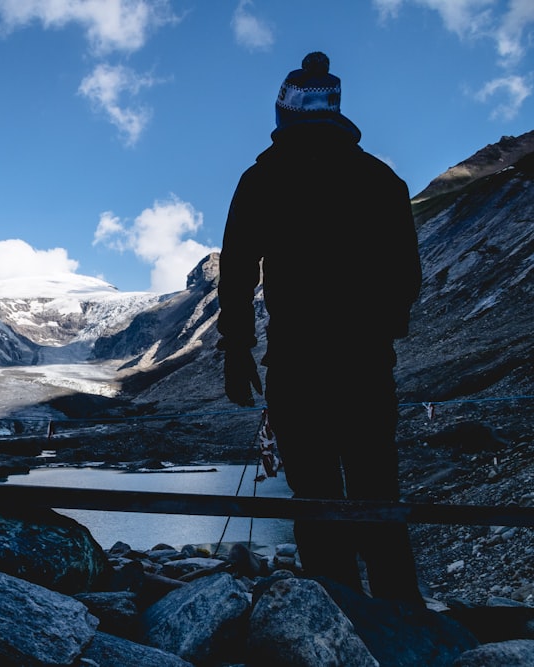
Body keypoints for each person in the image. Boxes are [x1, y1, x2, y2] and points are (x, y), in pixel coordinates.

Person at [216, 51, 424, 604]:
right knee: (377, 488)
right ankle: (401, 620)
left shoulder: (263, 179)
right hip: (366, 364)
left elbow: (236, 271)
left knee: (313, 497)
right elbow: (407, 274)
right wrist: (378, 332)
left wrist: (237, 349)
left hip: (296, 364)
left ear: (284, 111)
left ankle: (338, 618)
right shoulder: (382, 180)